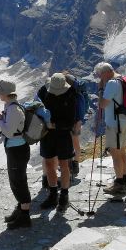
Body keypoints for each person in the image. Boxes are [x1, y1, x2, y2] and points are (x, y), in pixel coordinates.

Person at [0, 80, 32, 229]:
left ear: (5, 93)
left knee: (19, 181)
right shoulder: (11, 106)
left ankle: (25, 216)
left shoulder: (13, 109)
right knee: (16, 180)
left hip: (17, 149)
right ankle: (21, 209)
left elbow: (9, 132)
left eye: (0, 91)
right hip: (15, 148)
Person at [37, 73, 77, 212]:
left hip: (62, 133)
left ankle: (64, 196)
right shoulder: (44, 91)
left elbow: (71, 119)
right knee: (49, 163)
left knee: (64, 164)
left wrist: (54, 125)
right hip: (48, 134)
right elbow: (37, 107)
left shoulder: (71, 93)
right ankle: (53, 194)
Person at [93, 62, 126, 195]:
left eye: (100, 75)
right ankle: (125, 181)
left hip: (115, 123)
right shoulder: (122, 79)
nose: (100, 78)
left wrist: (100, 90)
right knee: (121, 151)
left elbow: (102, 104)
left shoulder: (111, 83)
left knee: (115, 153)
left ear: (105, 73)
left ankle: (119, 184)